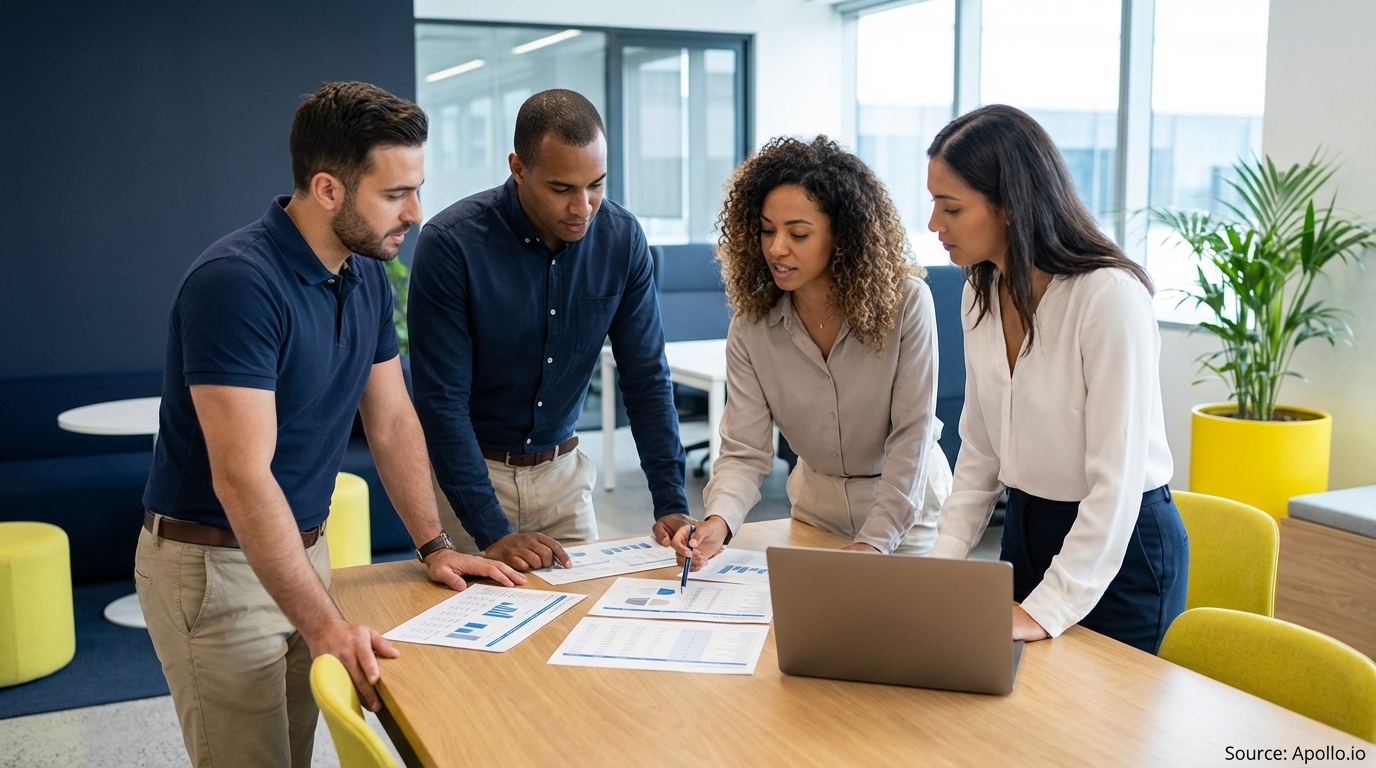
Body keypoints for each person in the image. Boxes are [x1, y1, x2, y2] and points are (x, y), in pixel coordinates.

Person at [137, 81, 523, 768]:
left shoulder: (366, 272)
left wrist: (434, 542)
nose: (416, 212)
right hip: (216, 566)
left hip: (305, 554)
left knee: (293, 753)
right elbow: (241, 475)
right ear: (327, 189)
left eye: (418, 188)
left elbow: (394, 420)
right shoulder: (236, 284)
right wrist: (324, 624)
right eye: (396, 193)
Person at [924, 105, 1187, 654]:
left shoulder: (1108, 296)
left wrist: (1050, 606)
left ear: (1012, 206)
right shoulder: (978, 292)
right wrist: (940, 569)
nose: (933, 225)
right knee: (1018, 722)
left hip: (1121, 546)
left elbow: (1114, 482)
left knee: (1105, 733)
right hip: (1025, 530)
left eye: (950, 207)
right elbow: (979, 452)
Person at [409, 89, 693, 571]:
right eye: (562, 189)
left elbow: (645, 376)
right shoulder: (451, 245)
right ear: (518, 168)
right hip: (470, 481)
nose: (583, 207)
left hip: (565, 478)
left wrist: (671, 500)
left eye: (596, 185)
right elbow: (442, 405)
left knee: (585, 630)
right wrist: (492, 531)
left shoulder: (621, 239)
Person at [670, 136, 952, 564]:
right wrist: (718, 522)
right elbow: (745, 450)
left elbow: (910, 439)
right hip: (815, 509)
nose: (776, 248)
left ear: (843, 235)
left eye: (798, 233)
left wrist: (875, 540)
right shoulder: (752, 325)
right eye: (767, 230)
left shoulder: (907, 303)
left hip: (906, 513)